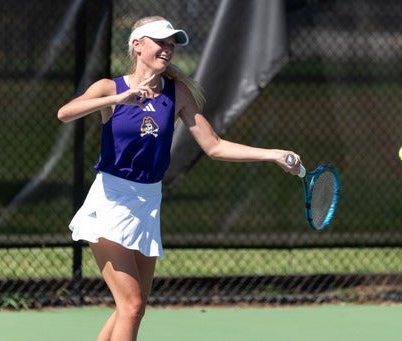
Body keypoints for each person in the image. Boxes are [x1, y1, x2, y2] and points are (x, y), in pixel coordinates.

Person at [57, 16, 302, 341]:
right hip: (110, 201)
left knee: (133, 307)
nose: (167, 48)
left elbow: (214, 146)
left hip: (148, 204)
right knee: (130, 305)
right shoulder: (109, 87)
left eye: (172, 43)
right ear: (137, 45)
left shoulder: (178, 93)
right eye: (160, 41)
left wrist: (271, 154)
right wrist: (117, 100)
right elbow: (65, 113)